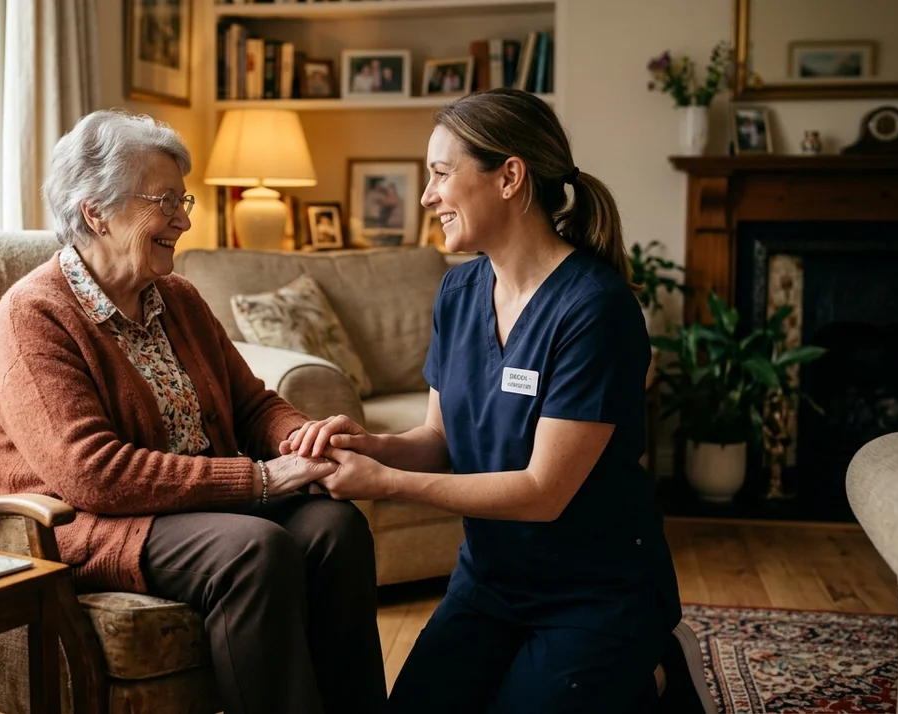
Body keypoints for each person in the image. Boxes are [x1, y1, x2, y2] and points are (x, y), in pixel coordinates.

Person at [284, 89, 717, 714]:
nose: (428, 195)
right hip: (489, 583)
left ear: (510, 176)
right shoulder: (458, 291)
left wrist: (384, 482)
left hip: (595, 592)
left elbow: (544, 490)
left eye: (439, 174)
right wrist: (365, 444)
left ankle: (652, 672)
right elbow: (437, 441)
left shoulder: (595, 308)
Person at [0, 109, 387, 714]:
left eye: (183, 198)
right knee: (254, 549)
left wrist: (304, 439)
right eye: (165, 200)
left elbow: (251, 403)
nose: (185, 218)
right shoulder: (34, 314)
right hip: (84, 521)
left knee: (335, 527)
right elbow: (91, 472)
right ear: (96, 211)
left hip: (194, 505)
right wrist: (262, 479)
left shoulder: (178, 297)